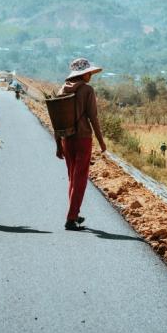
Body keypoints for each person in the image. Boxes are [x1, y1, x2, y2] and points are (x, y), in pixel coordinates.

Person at [55, 58, 107, 231]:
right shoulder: (87, 90)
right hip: (83, 138)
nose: (91, 75)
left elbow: (57, 119)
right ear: (83, 74)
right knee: (81, 179)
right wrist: (101, 141)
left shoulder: (62, 89)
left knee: (72, 177)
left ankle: (74, 214)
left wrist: (58, 144)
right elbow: (93, 117)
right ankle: (71, 218)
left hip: (66, 139)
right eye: (89, 73)